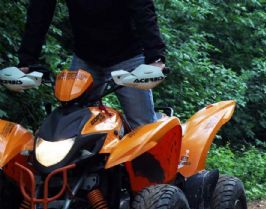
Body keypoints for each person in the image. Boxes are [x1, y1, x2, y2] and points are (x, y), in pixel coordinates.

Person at [17, 0, 166, 129]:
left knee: (142, 127)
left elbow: (143, 10)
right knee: (69, 123)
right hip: (86, 57)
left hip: (127, 57)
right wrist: (28, 60)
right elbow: (39, 13)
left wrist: (156, 58)